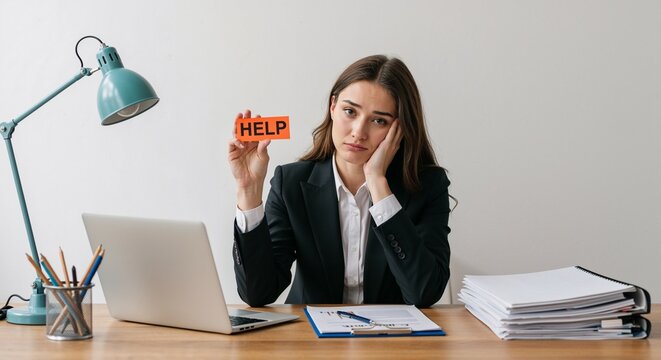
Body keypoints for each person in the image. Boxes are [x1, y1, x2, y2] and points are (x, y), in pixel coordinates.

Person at [228, 55, 451, 307]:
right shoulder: (290, 183)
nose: (358, 131)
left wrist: (378, 184)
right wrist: (248, 191)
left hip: (393, 341)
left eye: (379, 120)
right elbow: (258, 293)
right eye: (350, 111)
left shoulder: (428, 186)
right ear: (333, 107)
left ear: (398, 129)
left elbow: (425, 293)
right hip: (311, 339)